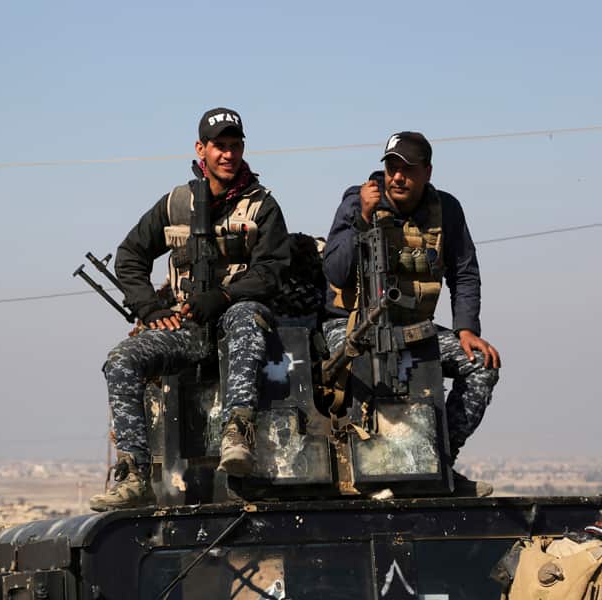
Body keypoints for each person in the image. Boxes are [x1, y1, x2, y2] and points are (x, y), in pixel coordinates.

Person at [89, 108, 291, 512]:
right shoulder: (177, 204)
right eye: (220, 146)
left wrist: (225, 295)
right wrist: (148, 307)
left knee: (247, 315)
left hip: (237, 323)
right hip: (187, 328)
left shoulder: (262, 206)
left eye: (235, 146)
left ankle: (238, 432)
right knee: (121, 360)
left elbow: (273, 271)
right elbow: (130, 256)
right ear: (202, 149)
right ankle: (134, 476)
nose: (228, 155)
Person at [322, 131, 501, 497]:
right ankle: (362, 472)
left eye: (408, 169)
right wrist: (363, 218)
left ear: (427, 172)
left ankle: (436, 462)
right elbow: (335, 272)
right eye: (391, 168)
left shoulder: (445, 210)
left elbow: (464, 272)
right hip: (352, 322)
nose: (398, 177)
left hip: (412, 325)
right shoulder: (357, 201)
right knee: (357, 367)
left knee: (481, 365)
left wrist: (467, 329)